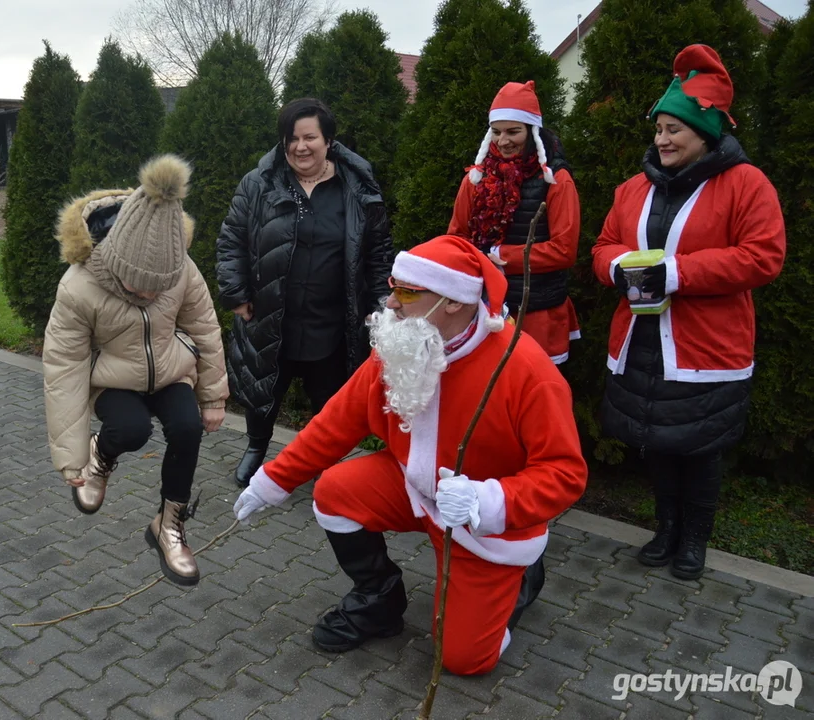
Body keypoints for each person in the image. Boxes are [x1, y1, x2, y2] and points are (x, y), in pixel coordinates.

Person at [232, 235, 587, 675]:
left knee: (463, 661)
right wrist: (274, 480)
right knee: (336, 490)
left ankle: (520, 579)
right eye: (393, 287)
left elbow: (564, 473)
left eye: (407, 292)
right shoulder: (403, 343)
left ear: (454, 301)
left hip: (478, 522)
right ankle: (378, 600)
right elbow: (337, 421)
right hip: (413, 489)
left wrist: (487, 501)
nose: (392, 304)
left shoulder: (527, 371)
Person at [592, 45, 785, 580]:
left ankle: (695, 540)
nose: (662, 139)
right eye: (658, 129)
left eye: (674, 129)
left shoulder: (747, 184)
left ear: (705, 132)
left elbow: (763, 256)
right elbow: (603, 245)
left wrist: (677, 273)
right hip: (642, 339)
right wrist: (621, 267)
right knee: (657, 442)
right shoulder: (633, 189)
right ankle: (665, 529)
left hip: (705, 346)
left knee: (700, 449)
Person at [43, 155, 229, 587]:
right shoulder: (78, 286)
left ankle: (169, 524)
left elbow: (204, 325)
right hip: (112, 378)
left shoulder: (181, 268)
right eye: (137, 284)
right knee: (132, 431)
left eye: (158, 285)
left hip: (170, 370)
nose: (148, 293)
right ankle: (100, 455)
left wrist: (214, 396)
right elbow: (64, 367)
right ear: (116, 261)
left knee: (187, 428)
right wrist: (70, 457)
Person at [216, 98, 394, 488]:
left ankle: (323, 463)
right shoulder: (259, 183)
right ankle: (256, 449)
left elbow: (379, 251)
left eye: (310, 137)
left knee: (329, 399)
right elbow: (231, 239)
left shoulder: (357, 187)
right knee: (264, 386)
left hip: (332, 317)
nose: (300, 147)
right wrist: (236, 292)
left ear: (328, 140)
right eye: (292, 138)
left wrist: (381, 305)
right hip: (270, 312)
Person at [449, 81, 581, 365]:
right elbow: (456, 238)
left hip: (538, 312)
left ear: (533, 131)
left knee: (537, 392)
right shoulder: (475, 178)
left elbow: (564, 249)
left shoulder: (556, 179)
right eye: (496, 132)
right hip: (485, 308)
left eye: (513, 132)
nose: (503, 141)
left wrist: (500, 256)